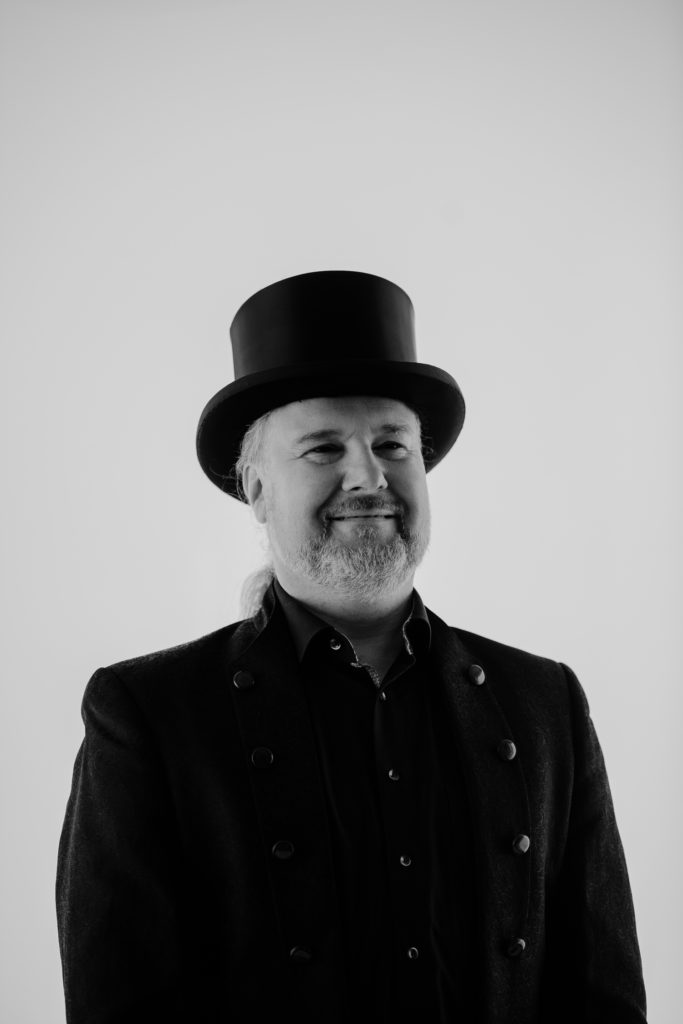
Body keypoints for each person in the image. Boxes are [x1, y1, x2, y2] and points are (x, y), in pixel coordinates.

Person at [56, 270, 647, 1023]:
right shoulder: (145, 715)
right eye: (322, 448)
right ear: (256, 488)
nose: (368, 476)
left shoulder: (545, 703)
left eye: (392, 444)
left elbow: (603, 1000)